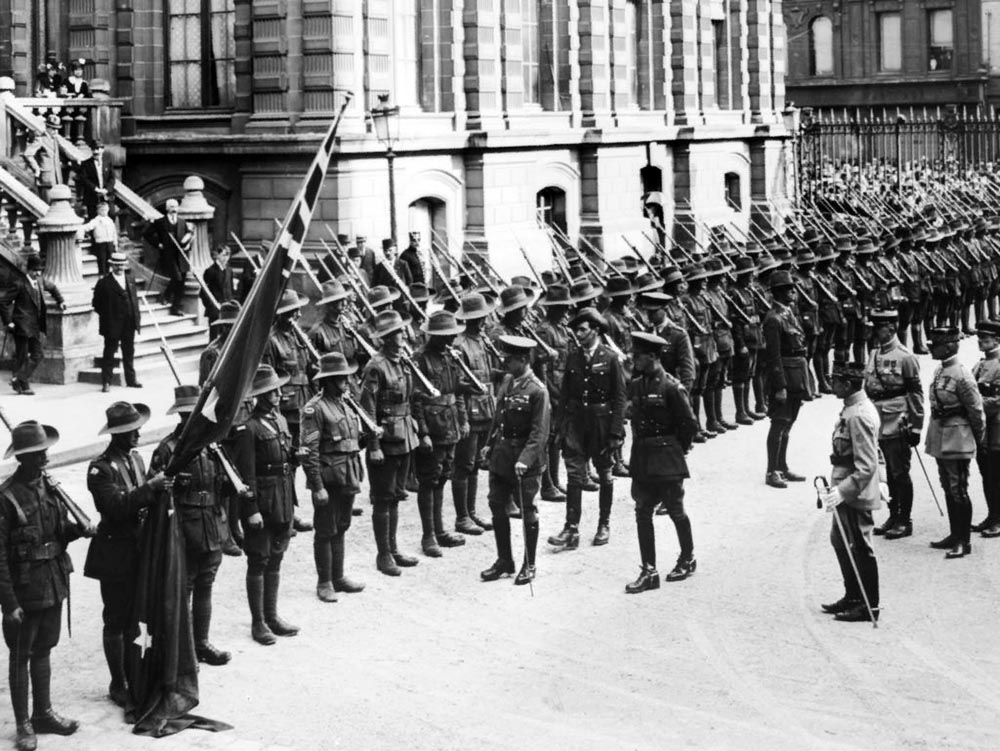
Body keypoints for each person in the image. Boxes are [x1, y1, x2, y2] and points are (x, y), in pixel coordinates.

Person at [0, 421, 91, 751]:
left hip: (53, 582)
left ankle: (43, 713)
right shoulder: (7, 497)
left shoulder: (49, 488)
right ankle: (24, 724)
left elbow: (56, 533)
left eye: (44, 452)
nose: (45, 458)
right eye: (37, 454)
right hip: (25, 590)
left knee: (44, 651)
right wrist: (9, 604)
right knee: (20, 656)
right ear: (22, 459)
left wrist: (77, 530)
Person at [84, 402, 171, 706]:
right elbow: (116, 507)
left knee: (139, 614)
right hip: (115, 553)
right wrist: (150, 488)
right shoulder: (100, 468)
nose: (137, 434)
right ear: (116, 434)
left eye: (136, 429)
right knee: (116, 619)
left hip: (138, 548)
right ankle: (117, 681)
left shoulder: (135, 458)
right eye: (129, 431)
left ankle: (137, 669)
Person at [149, 386, 232, 666]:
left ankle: (201, 643)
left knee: (206, 583)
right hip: (183, 529)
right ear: (183, 416)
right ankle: (182, 651)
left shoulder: (211, 447)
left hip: (210, 524)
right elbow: (155, 492)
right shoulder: (168, 450)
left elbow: (222, 484)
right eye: (190, 415)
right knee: (183, 589)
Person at [625, 332, 699, 593]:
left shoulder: (671, 387)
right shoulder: (636, 385)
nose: (635, 361)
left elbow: (689, 425)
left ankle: (687, 557)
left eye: (639, 356)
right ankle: (649, 571)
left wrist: (675, 449)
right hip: (643, 459)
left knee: (676, 510)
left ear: (653, 357)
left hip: (667, 460)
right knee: (642, 512)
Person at [548, 307, 626, 550]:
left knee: (604, 473)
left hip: (601, 424)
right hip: (576, 423)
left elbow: (620, 398)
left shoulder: (610, 358)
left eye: (582, 330)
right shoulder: (573, 356)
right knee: (574, 474)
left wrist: (616, 432)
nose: (578, 334)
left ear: (595, 330)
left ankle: (604, 524)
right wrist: (560, 428)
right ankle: (571, 528)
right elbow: (565, 396)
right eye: (575, 330)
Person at [480, 335, 550, 585]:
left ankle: (529, 564)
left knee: (527, 509)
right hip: (502, 455)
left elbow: (539, 432)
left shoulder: (538, 390)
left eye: (509, 360)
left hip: (524, 460)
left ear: (523, 360)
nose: (505, 364)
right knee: (496, 503)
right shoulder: (508, 382)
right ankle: (504, 560)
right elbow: (498, 416)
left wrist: (526, 459)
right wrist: (488, 444)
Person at [818, 361, 883, 623]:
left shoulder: (858, 415)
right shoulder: (854, 408)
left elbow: (867, 463)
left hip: (855, 490)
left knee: (860, 546)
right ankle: (853, 595)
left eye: (835, 380)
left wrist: (843, 492)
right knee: (841, 540)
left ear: (847, 384)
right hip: (848, 484)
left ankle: (869, 605)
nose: (831, 383)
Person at [300, 353, 369, 602]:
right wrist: (317, 486)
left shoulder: (345, 403)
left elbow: (350, 440)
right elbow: (309, 451)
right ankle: (324, 581)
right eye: (341, 379)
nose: (347, 382)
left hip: (348, 473)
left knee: (342, 526)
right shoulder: (315, 408)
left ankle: (338, 577)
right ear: (328, 380)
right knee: (325, 530)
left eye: (346, 378)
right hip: (329, 478)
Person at [359, 310, 420, 576]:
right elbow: (368, 408)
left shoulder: (402, 361)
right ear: (385, 338)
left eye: (402, 330)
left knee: (395, 497)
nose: (402, 334)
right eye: (396, 332)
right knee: (383, 499)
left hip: (404, 436)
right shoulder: (376, 366)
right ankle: (383, 555)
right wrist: (373, 446)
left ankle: (393, 549)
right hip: (385, 439)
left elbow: (410, 399)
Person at [242, 365, 299, 645]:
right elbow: (247, 473)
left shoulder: (280, 421)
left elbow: (285, 458)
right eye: (270, 391)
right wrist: (251, 509)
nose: (277, 393)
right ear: (259, 396)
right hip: (263, 500)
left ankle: (272, 615)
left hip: (283, 496)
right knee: (259, 559)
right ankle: (258, 622)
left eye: (277, 389)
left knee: (276, 556)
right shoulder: (249, 428)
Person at [411, 311, 470, 556]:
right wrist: (423, 432)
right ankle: (428, 536)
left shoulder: (451, 357)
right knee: (428, 480)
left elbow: (457, 391)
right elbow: (415, 400)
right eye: (446, 335)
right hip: (432, 429)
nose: (451, 338)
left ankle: (439, 530)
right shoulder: (420, 359)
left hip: (450, 426)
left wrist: (464, 419)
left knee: (443, 476)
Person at [924, 327, 986, 559]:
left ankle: (963, 541)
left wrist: (976, 439)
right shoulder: (941, 370)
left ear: (949, 346)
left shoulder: (962, 374)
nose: (932, 349)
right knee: (948, 488)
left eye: (936, 345)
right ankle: (954, 534)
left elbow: (976, 410)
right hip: (942, 435)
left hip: (958, 438)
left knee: (958, 489)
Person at [864, 309, 923, 540]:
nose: (875, 332)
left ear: (891, 328)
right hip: (878, 419)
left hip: (897, 420)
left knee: (900, 472)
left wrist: (916, 426)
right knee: (888, 471)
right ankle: (892, 515)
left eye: (879, 328)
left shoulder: (905, 356)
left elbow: (915, 393)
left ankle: (904, 520)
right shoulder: (875, 353)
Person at [200, 300, 250, 555]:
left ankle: (235, 526)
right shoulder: (213, 354)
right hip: (223, 424)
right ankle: (226, 534)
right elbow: (208, 393)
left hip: (241, 420)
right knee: (223, 480)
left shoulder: (239, 349)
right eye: (231, 326)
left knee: (238, 478)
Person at [263, 290, 314, 534]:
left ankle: (291, 511)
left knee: (301, 458)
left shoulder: (297, 337)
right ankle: (285, 514)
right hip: (286, 409)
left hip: (304, 406)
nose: (298, 314)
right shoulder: (272, 340)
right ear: (282, 314)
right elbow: (269, 379)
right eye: (293, 311)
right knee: (287, 462)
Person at [451, 292, 498, 534]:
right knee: (464, 465)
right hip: (469, 413)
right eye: (480, 318)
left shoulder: (482, 341)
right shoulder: (459, 344)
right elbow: (458, 387)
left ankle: (471, 512)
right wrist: (462, 419)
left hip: (485, 410)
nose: (484, 322)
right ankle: (461, 518)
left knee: (476, 464)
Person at [762, 269, 809, 489]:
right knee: (779, 423)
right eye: (789, 289)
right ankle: (772, 470)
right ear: (779, 292)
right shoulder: (773, 319)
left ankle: (782, 465)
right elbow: (773, 356)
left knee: (789, 423)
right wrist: (779, 386)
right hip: (785, 378)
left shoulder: (789, 314)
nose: (793, 292)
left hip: (797, 375)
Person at [2, 255, 66, 395]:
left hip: (35, 326)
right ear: (28, 269)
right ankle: (23, 386)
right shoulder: (19, 283)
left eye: (40, 270)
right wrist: (8, 322)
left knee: (38, 354)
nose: (37, 273)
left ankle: (18, 378)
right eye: (35, 270)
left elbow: (53, 287)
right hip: (21, 325)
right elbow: (3, 302)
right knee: (22, 356)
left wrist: (60, 300)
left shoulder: (41, 281)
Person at [91, 252, 141, 392]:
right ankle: (106, 382)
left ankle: (131, 380)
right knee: (109, 354)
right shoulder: (104, 283)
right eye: (116, 265)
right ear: (112, 265)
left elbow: (134, 300)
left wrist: (135, 318)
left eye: (121, 265)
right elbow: (96, 304)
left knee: (129, 352)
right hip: (112, 324)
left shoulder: (130, 279)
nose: (119, 268)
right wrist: (109, 317)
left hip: (129, 323)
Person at [973, 319, 1000, 538]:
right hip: (984, 428)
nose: (981, 341)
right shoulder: (980, 364)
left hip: (997, 429)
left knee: (996, 474)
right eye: (980, 338)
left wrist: (973, 404)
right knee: (986, 474)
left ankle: (998, 520)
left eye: (985, 338)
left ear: (997, 340)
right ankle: (992, 515)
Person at [143, 199, 191, 316]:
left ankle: (174, 306)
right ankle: (167, 297)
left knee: (181, 281)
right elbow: (147, 234)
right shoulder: (160, 222)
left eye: (176, 206)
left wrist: (188, 245)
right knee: (177, 278)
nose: (174, 209)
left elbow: (189, 235)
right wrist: (158, 244)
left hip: (181, 256)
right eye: (172, 207)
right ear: (167, 208)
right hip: (168, 255)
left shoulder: (182, 222)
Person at [75, 139, 114, 220]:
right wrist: (96, 189)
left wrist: (106, 190)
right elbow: (84, 179)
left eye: (98, 149)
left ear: (102, 149)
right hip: (92, 197)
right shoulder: (86, 164)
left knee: (111, 215)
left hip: (106, 196)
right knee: (93, 218)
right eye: (93, 149)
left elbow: (112, 178)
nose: (96, 151)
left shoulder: (108, 162)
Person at [78, 199, 117, 276]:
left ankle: (108, 275)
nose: (104, 212)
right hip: (100, 243)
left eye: (105, 210)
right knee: (102, 260)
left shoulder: (110, 220)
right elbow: (88, 227)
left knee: (109, 261)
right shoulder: (96, 220)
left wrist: (115, 244)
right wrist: (80, 228)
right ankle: (102, 275)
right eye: (102, 210)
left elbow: (114, 232)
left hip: (109, 242)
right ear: (98, 211)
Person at [202, 246, 235, 326]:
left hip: (227, 309)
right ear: (218, 255)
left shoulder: (229, 270)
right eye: (224, 255)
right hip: (215, 308)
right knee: (214, 334)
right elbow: (203, 292)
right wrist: (211, 305)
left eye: (228, 256)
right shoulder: (210, 271)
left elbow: (230, 288)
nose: (226, 258)